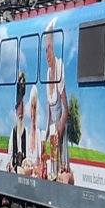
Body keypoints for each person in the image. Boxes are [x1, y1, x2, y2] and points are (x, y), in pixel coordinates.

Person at [44, 19, 70, 180]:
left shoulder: (59, 67)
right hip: (53, 131)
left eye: (49, 49)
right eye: (45, 50)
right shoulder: (48, 74)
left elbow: (66, 108)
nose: (47, 54)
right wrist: (47, 132)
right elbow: (49, 110)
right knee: (52, 172)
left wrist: (59, 131)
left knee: (60, 169)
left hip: (60, 130)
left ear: (54, 48)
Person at [7, 72, 27, 173]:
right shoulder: (14, 131)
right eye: (19, 110)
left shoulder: (26, 132)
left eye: (22, 110)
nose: (20, 113)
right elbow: (10, 151)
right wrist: (10, 166)